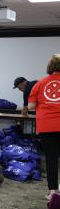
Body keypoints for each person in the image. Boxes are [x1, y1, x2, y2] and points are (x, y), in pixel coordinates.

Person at [28, 53, 60, 200]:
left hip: (47, 126)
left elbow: (31, 106)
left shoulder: (39, 84)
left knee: (51, 159)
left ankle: (53, 191)